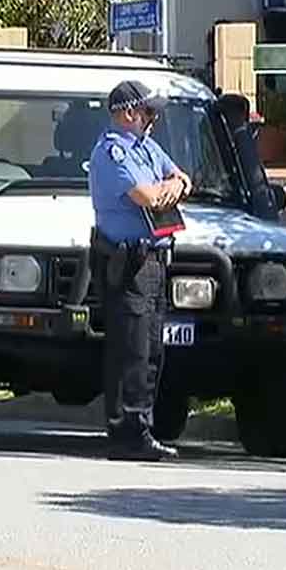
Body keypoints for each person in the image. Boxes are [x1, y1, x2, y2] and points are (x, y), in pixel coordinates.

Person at [88, 80, 193, 461]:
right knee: (130, 349)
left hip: (153, 259)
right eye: (150, 112)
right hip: (126, 260)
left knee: (151, 348)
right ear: (128, 113)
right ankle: (127, 432)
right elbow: (147, 197)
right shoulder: (113, 153)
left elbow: (184, 180)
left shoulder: (147, 147)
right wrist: (165, 189)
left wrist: (170, 187)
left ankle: (142, 428)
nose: (154, 119)